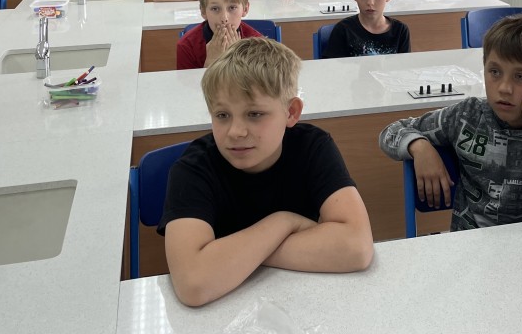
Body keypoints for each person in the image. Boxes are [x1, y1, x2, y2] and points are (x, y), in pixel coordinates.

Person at [160, 38, 374, 306]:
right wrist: (285, 222)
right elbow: (194, 283)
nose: (236, 132)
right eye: (222, 115)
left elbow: (356, 247)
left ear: (291, 112)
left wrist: (232, 258)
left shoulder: (313, 147)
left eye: (255, 114)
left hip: (300, 302)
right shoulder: (193, 169)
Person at [379, 15, 522, 231]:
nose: (504, 88)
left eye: (520, 76)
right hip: (471, 247)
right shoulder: (467, 116)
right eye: (495, 72)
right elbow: (392, 131)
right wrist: (419, 146)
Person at [322, 0, 410, 59]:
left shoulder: (400, 31)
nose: (370, 2)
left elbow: (404, 66)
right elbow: (331, 66)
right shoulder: (343, 30)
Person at [177, 0, 266, 70]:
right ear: (203, 11)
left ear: (245, 9)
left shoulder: (257, 45)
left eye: (232, 8)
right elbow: (188, 80)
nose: (224, 18)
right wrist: (211, 62)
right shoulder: (187, 46)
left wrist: (235, 58)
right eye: (215, 8)